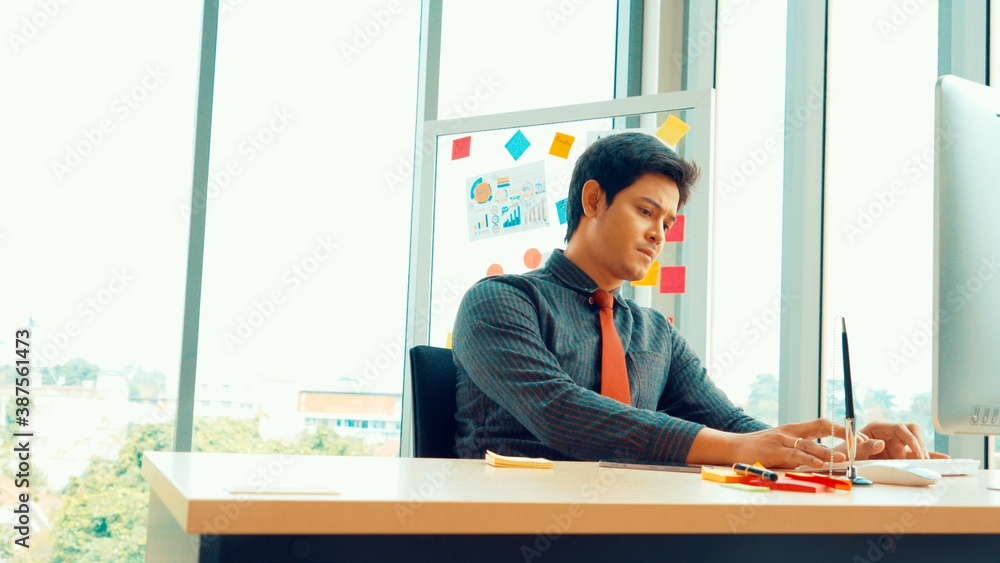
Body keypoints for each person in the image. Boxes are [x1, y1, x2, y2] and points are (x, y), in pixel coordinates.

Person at [452, 131, 942, 468]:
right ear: (594, 200)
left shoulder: (654, 334)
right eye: (646, 211)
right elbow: (560, 411)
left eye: (667, 223)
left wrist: (845, 451)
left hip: (631, 525)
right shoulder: (501, 302)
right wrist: (741, 447)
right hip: (513, 526)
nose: (658, 235)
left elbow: (732, 426)